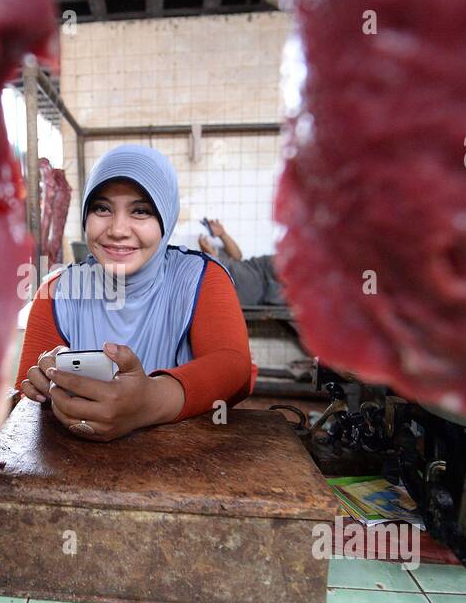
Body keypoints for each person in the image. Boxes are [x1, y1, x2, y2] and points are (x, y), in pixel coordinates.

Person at [16, 145, 255, 441]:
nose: (117, 229)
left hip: (183, 467)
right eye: (102, 208)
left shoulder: (200, 278)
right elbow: (25, 406)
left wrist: (150, 402)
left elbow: (234, 367)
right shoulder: (57, 293)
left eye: (140, 211)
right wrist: (45, 386)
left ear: (166, 220)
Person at [198, 219, 285, 308]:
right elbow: (235, 259)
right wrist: (211, 257)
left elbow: (237, 256)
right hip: (247, 288)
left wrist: (222, 235)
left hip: (254, 272)